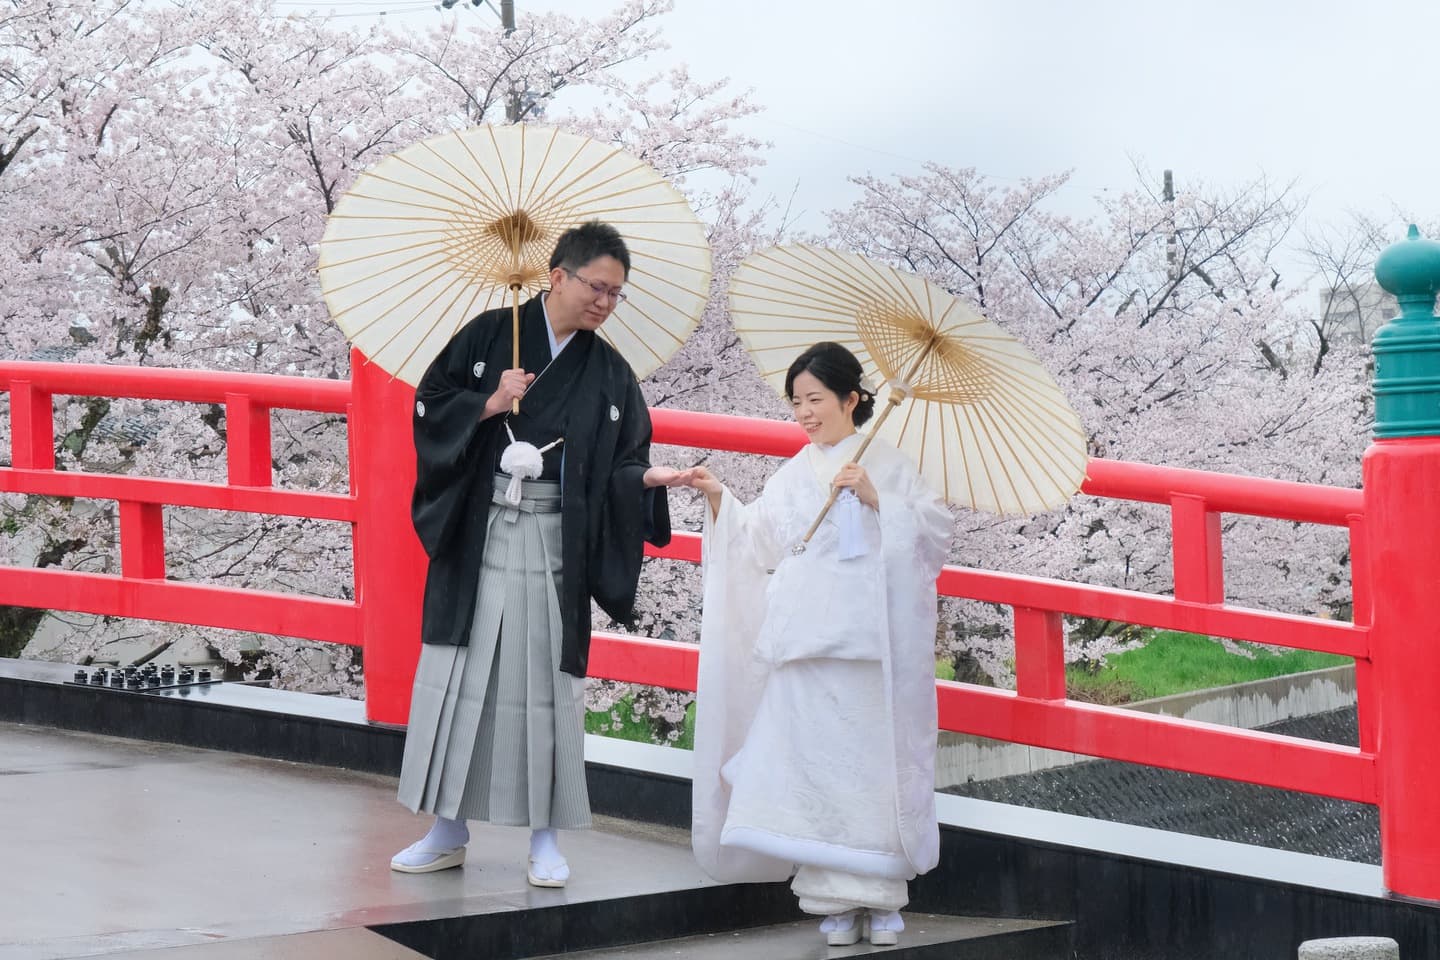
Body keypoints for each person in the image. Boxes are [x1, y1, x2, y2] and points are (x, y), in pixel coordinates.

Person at [390, 221, 691, 885]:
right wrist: (490, 402)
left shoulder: (609, 373)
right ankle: (447, 828)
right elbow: (429, 406)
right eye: (598, 288)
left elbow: (626, 455)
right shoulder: (486, 336)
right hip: (479, 534)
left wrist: (645, 481)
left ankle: (545, 839)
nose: (606, 303)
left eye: (617, 294)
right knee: (462, 675)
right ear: (559, 276)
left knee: (544, 688)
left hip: (555, 543)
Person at [685, 342, 952, 947]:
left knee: (870, 770)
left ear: (852, 400)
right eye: (797, 402)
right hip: (806, 641)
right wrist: (721, 499)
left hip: (871, 645)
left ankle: (882, 899)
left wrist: (878, 497)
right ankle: (832, 899)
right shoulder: (794, 472)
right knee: (816, 772)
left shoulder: (889, 461)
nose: (805, 414)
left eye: (815, 400)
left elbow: (934, 537)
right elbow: (761, 543)